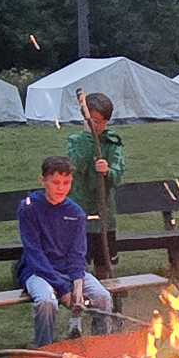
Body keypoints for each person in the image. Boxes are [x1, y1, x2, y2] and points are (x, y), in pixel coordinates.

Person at [17, 156, 115, 346]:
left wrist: (77, 286)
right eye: (55, 182)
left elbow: (78, 253)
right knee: (47, 303)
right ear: (43, 181)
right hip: (38, 271)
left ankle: (101, 345)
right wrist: (63, 289)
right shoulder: (29, 208)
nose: (61, 188)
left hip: (70, 271)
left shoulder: (75, 212)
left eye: (66, 183)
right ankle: (45, 349)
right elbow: (34, 252)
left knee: (102, 297)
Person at [67, 90, 124, 260]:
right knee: (78, 258)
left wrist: (107, 171)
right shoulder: (76, 141)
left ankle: (106, 283)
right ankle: (80, 286)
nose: (96, 126)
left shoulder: (113, 142)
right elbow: (77, 164)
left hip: (103, 209)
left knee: (104, 257)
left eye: (100, 122)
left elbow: (118, 174)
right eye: (92, 121)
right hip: (80, 206)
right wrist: (88, 138)